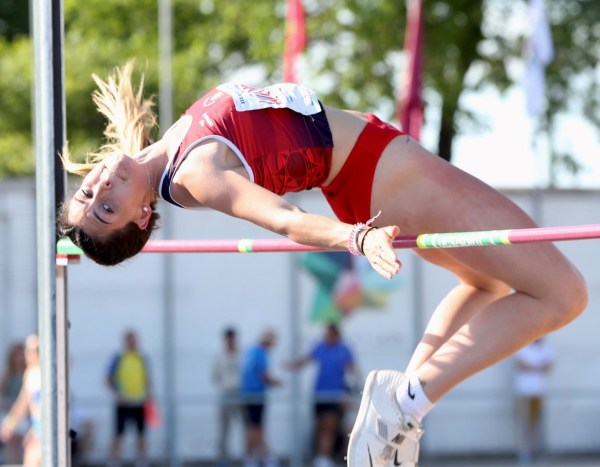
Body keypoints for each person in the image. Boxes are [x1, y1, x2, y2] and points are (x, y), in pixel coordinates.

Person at [58, 62, 588, 466]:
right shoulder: (195, 173)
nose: (99, 189)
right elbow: (284, 219)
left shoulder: (166, 152)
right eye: (106, 210)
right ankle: (406, 403)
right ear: (141, 216)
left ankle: (401, 407)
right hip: (382, 173)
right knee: (564, 293)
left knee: (488, 283)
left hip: (372, 169)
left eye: (88, 193)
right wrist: (356, 237)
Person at [286, 324, 361, 467]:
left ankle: (325, 456)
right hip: (319, 394)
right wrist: (292, 366)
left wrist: (359, 386)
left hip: (335, 395)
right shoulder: (321, 347)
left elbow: (353, 368)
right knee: (320, 426)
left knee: (330, 426)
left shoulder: (343, 349)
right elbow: (306, 359)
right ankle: (321, 456)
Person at [106, 329, 152, 467]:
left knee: (141, 434)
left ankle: (142, 460)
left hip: (139, 401)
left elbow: (147, 378)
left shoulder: (142, 358)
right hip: (123, 402)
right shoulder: (119, 358)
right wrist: (117, 394)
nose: (133, 344)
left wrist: (147, 394)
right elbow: (108, 378)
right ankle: (113, 460)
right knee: (118, 433)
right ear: (125, 342)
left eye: (135, 341)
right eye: (131, 341)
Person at [240, 329, 282, 467]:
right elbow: (264, 376)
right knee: (256, 429)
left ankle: (253, 457)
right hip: (256, 395)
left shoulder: (251, 351)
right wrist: (277, 383)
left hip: (247, 394)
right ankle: (262, 457)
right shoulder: (261, 354)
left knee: (252, 427)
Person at [0, 335, 42, 467]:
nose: (26, 355)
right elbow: (23, 402)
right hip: (38, 428)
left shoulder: (46, 372)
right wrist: (10, 423)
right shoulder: (31, 373)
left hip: (46, 429)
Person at [513, 338, 555, 464]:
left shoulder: (545, 348)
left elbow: (548, 366)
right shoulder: (522, 346)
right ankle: (524, 452)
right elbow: (521, 365)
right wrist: (538, 367)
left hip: (538, 392)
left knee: (536, 424)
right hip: (524, 392)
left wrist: (532, 367)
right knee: (524, 423)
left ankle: (536, 451)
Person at [211, 327, 242, 467]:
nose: (231, 341)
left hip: (241, 394)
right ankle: (223, 458)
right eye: (228, 339)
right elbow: (215, 376)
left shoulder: (241, 355)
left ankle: (248, 457)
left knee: (247, 426)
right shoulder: (219, 357)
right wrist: (225, 382)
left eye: (232, 339)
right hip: (226, 393)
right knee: (224, 428)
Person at [0, 341, 27, 464]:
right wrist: (8, 407)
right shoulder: (7, 373)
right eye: (17, 355)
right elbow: (2, 394)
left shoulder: (28, 373)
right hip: (10, 410)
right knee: (12, 442)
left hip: (24, 412)